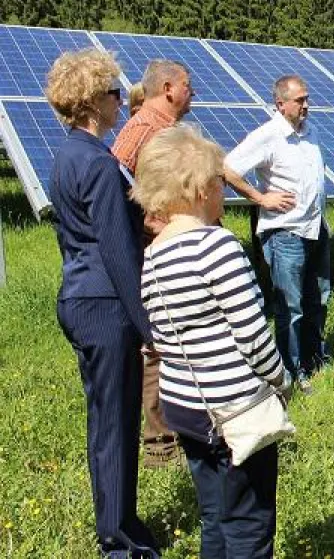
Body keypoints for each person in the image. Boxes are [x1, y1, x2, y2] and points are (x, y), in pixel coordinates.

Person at [133, 126, 287, 558]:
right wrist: (281, 380)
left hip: (184, 405)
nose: (225, 188)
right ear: (200, 188)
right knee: (250, 523)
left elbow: (162, 334)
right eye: (220, 181)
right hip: (233, 409)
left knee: (215, 512)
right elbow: (253, 334)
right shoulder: (216, 245)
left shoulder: (154, 251)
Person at [45, 48, 160, 559]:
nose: (121, 100)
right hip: (107, 306)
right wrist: (150, 326)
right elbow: (118, 251)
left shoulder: (67, 155)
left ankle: (119, 519)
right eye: (115, 92)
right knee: (115, 424)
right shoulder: (98, 164)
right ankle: (118, 540)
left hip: (78, 297)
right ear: (93, 103)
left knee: (104, 422)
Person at [112, 58, 196, 468]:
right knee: (158, 344)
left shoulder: (163, 130)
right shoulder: (143, 129)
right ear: (167, 88)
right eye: (187, 85)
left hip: (175, 249)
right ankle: (161, 446)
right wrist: (151, 225)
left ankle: (179, 429)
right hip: (156, 253)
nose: (192, 92)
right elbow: (113, 188)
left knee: (178, 338)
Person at [223, 75, 326, 395]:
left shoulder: (311, 131)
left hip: (315, 228)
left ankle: (314, 360)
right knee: (290, 306)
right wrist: (260, 198)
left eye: (307, 99)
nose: (306, 105)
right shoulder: (268, 136)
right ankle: (290, 372)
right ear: (280, 104)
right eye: (299, 100)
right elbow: (227, 168)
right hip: (285, 234)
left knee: (317, 298)